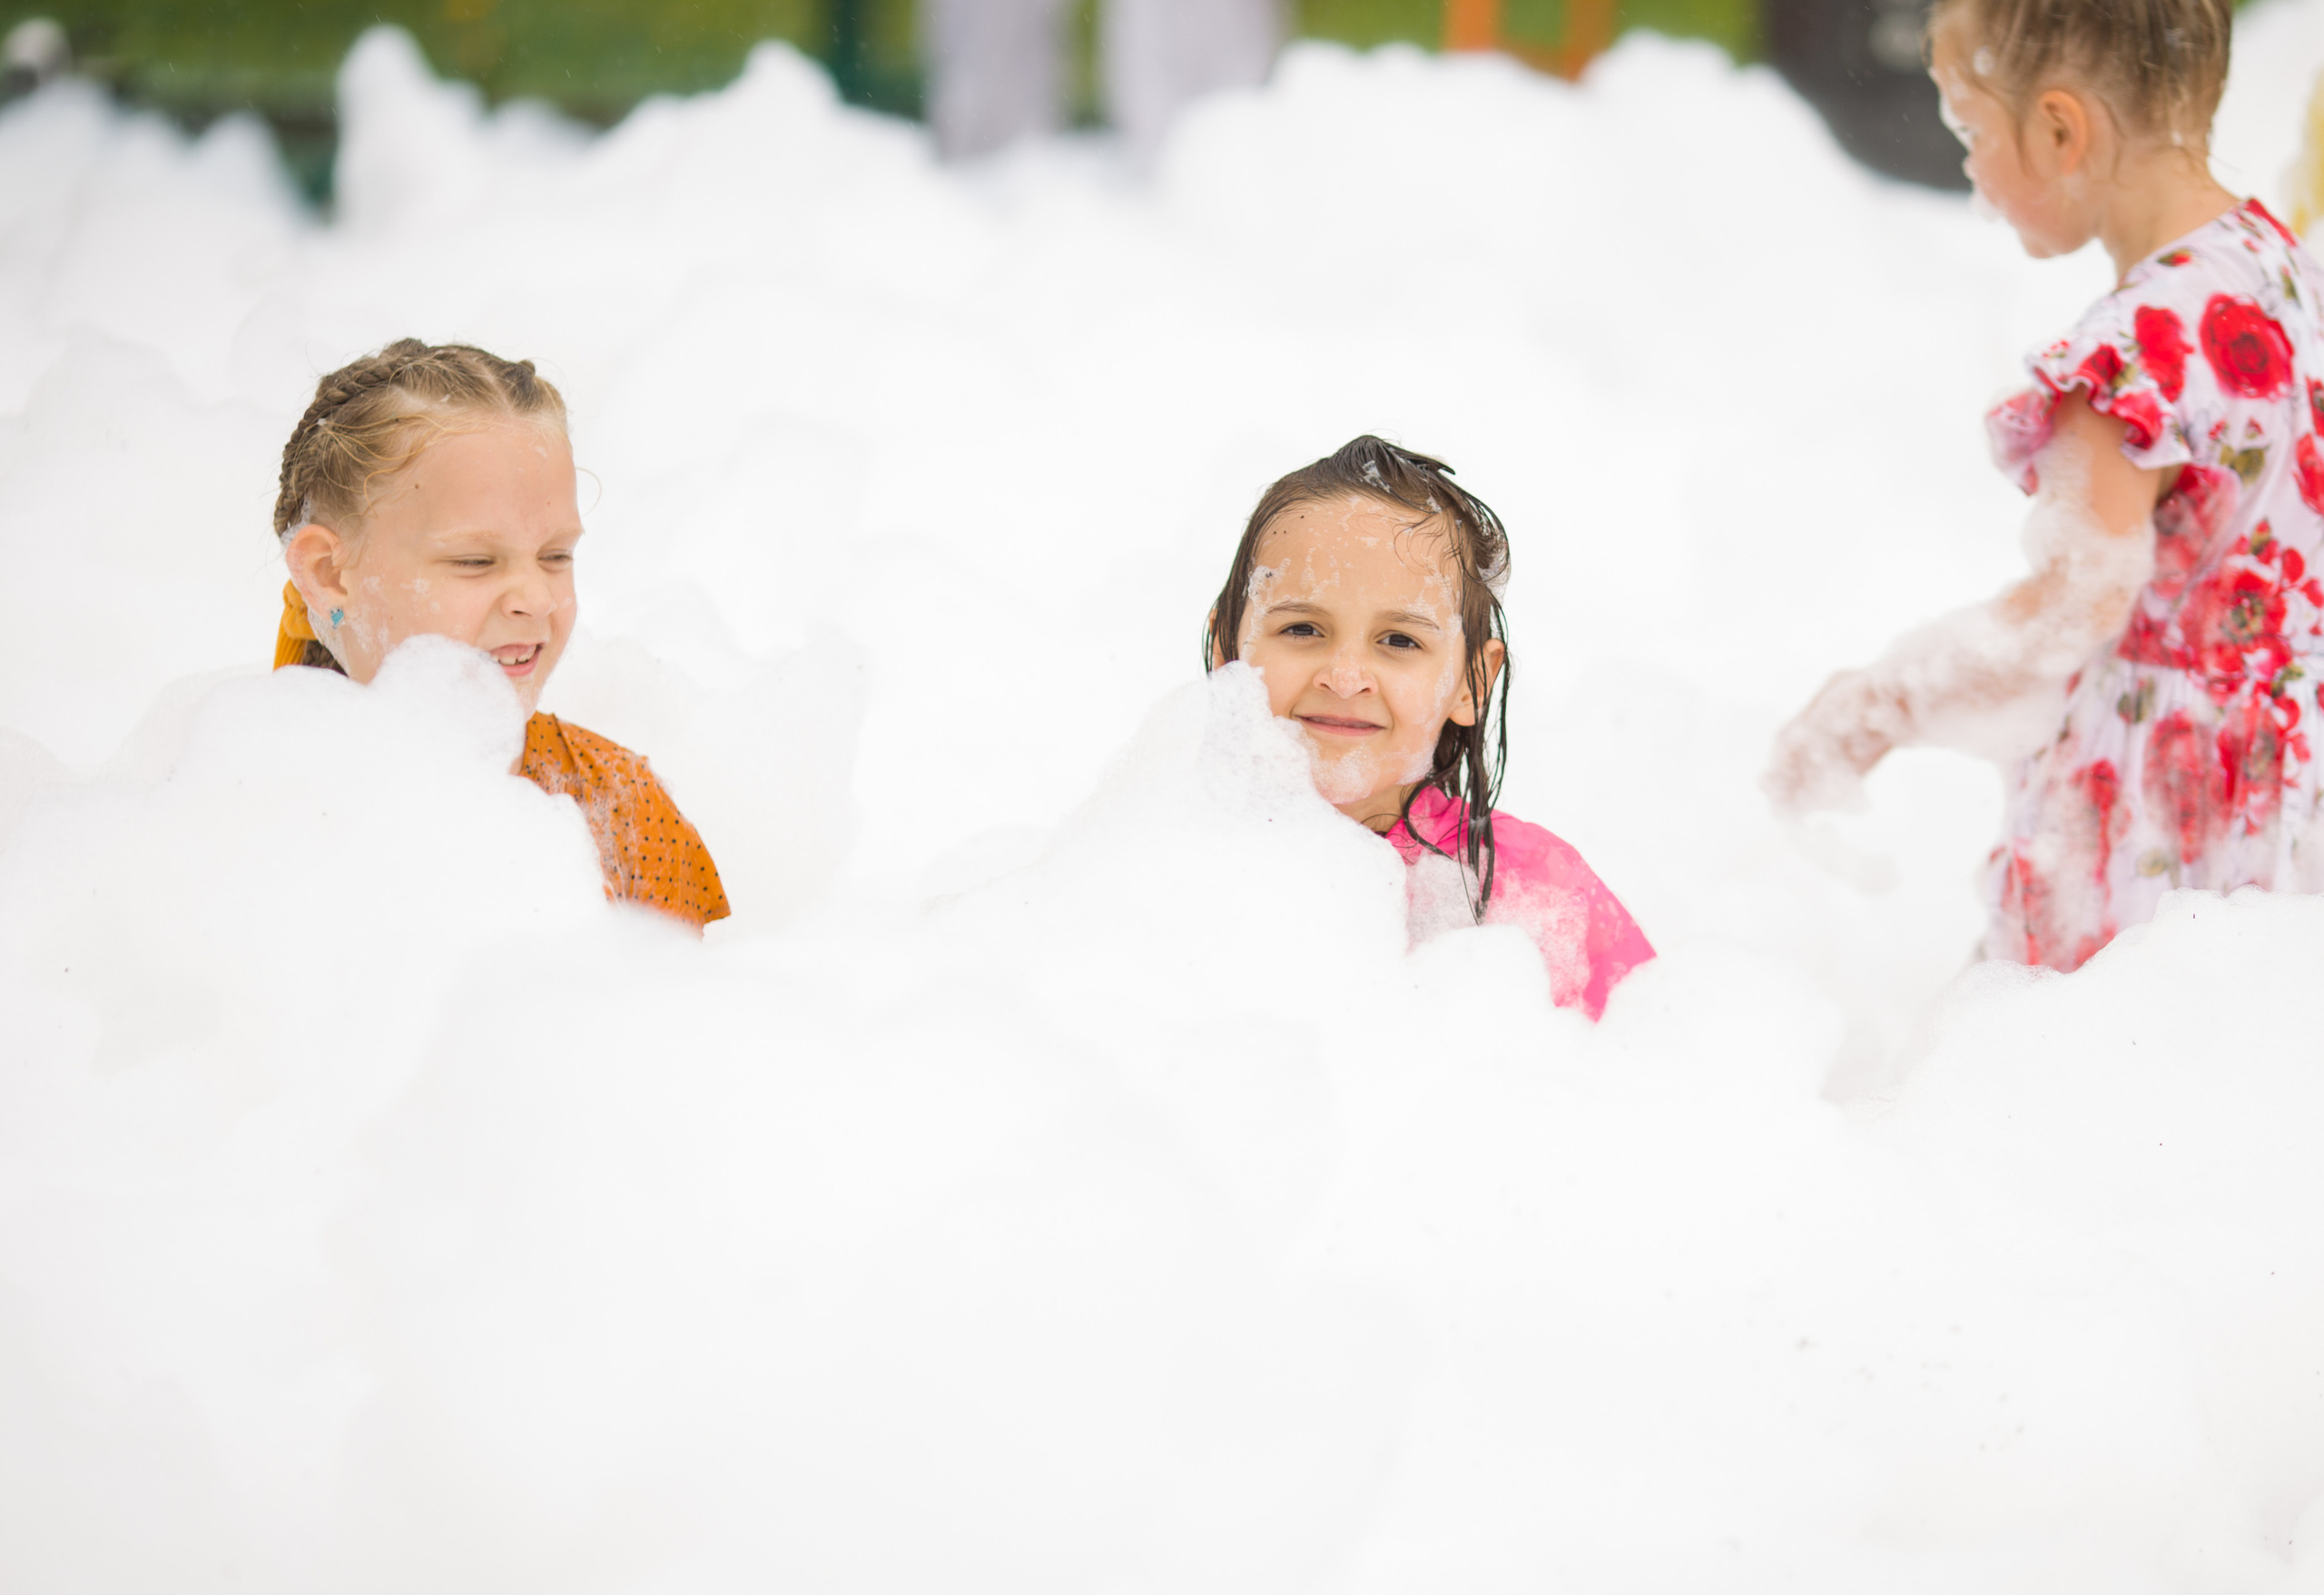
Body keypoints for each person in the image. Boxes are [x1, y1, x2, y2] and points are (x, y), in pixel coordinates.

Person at [1763, 0, 2324, 974]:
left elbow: (2062, 614)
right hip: (2287, 778)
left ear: (2062, 129)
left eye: (1973, 133)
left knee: (2056, 1072)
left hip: (2159, 811)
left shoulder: (2124, 365)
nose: (1973, 178)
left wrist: (1876, 705)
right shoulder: (2287, 275)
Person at [272, 340, 730, 932]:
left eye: (555, 554)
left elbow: (690, 1016)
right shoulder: (257, 805)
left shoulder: (622, 810)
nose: (536, 599)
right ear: (329, 574)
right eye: (475, 561)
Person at [1206, 436, 1652, 1019]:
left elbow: (1659, 1071)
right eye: (1302, 629)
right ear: (1225, 650)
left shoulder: (1531, 895)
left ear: (1471, 681)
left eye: (1399, 640)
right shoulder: (1162, 851)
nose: (1345, 678)